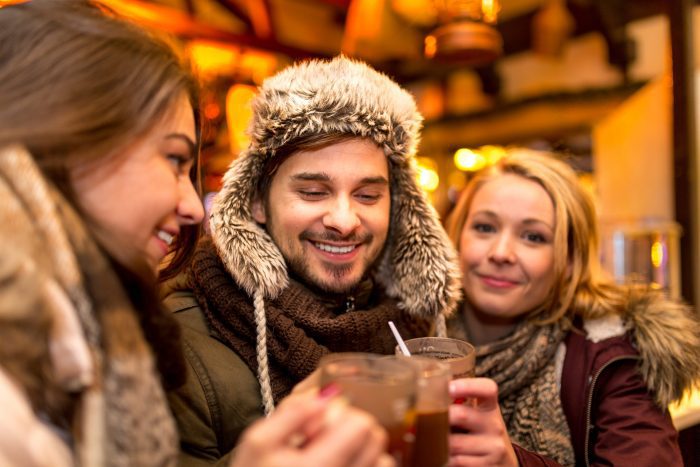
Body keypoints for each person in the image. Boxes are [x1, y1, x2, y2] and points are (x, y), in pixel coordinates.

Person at [0, 2, 392, 467]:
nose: (191, 207)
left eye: (369, 195)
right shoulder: (169, 336)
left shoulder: (93, 335)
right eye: (172, 160)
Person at [162, 55, 463, 464]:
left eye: (368, 195)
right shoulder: (177, 341)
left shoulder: (416, 328)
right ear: (256, 203)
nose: (343, 220)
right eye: (313, 192)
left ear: (397, 207)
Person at [443, 149, 700, 466]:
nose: (500, 253)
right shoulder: (413, 333)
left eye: (533, 237)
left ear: (569, 261)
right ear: (456, 236)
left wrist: (515, 463)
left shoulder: (610, 356)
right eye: (485, 228)